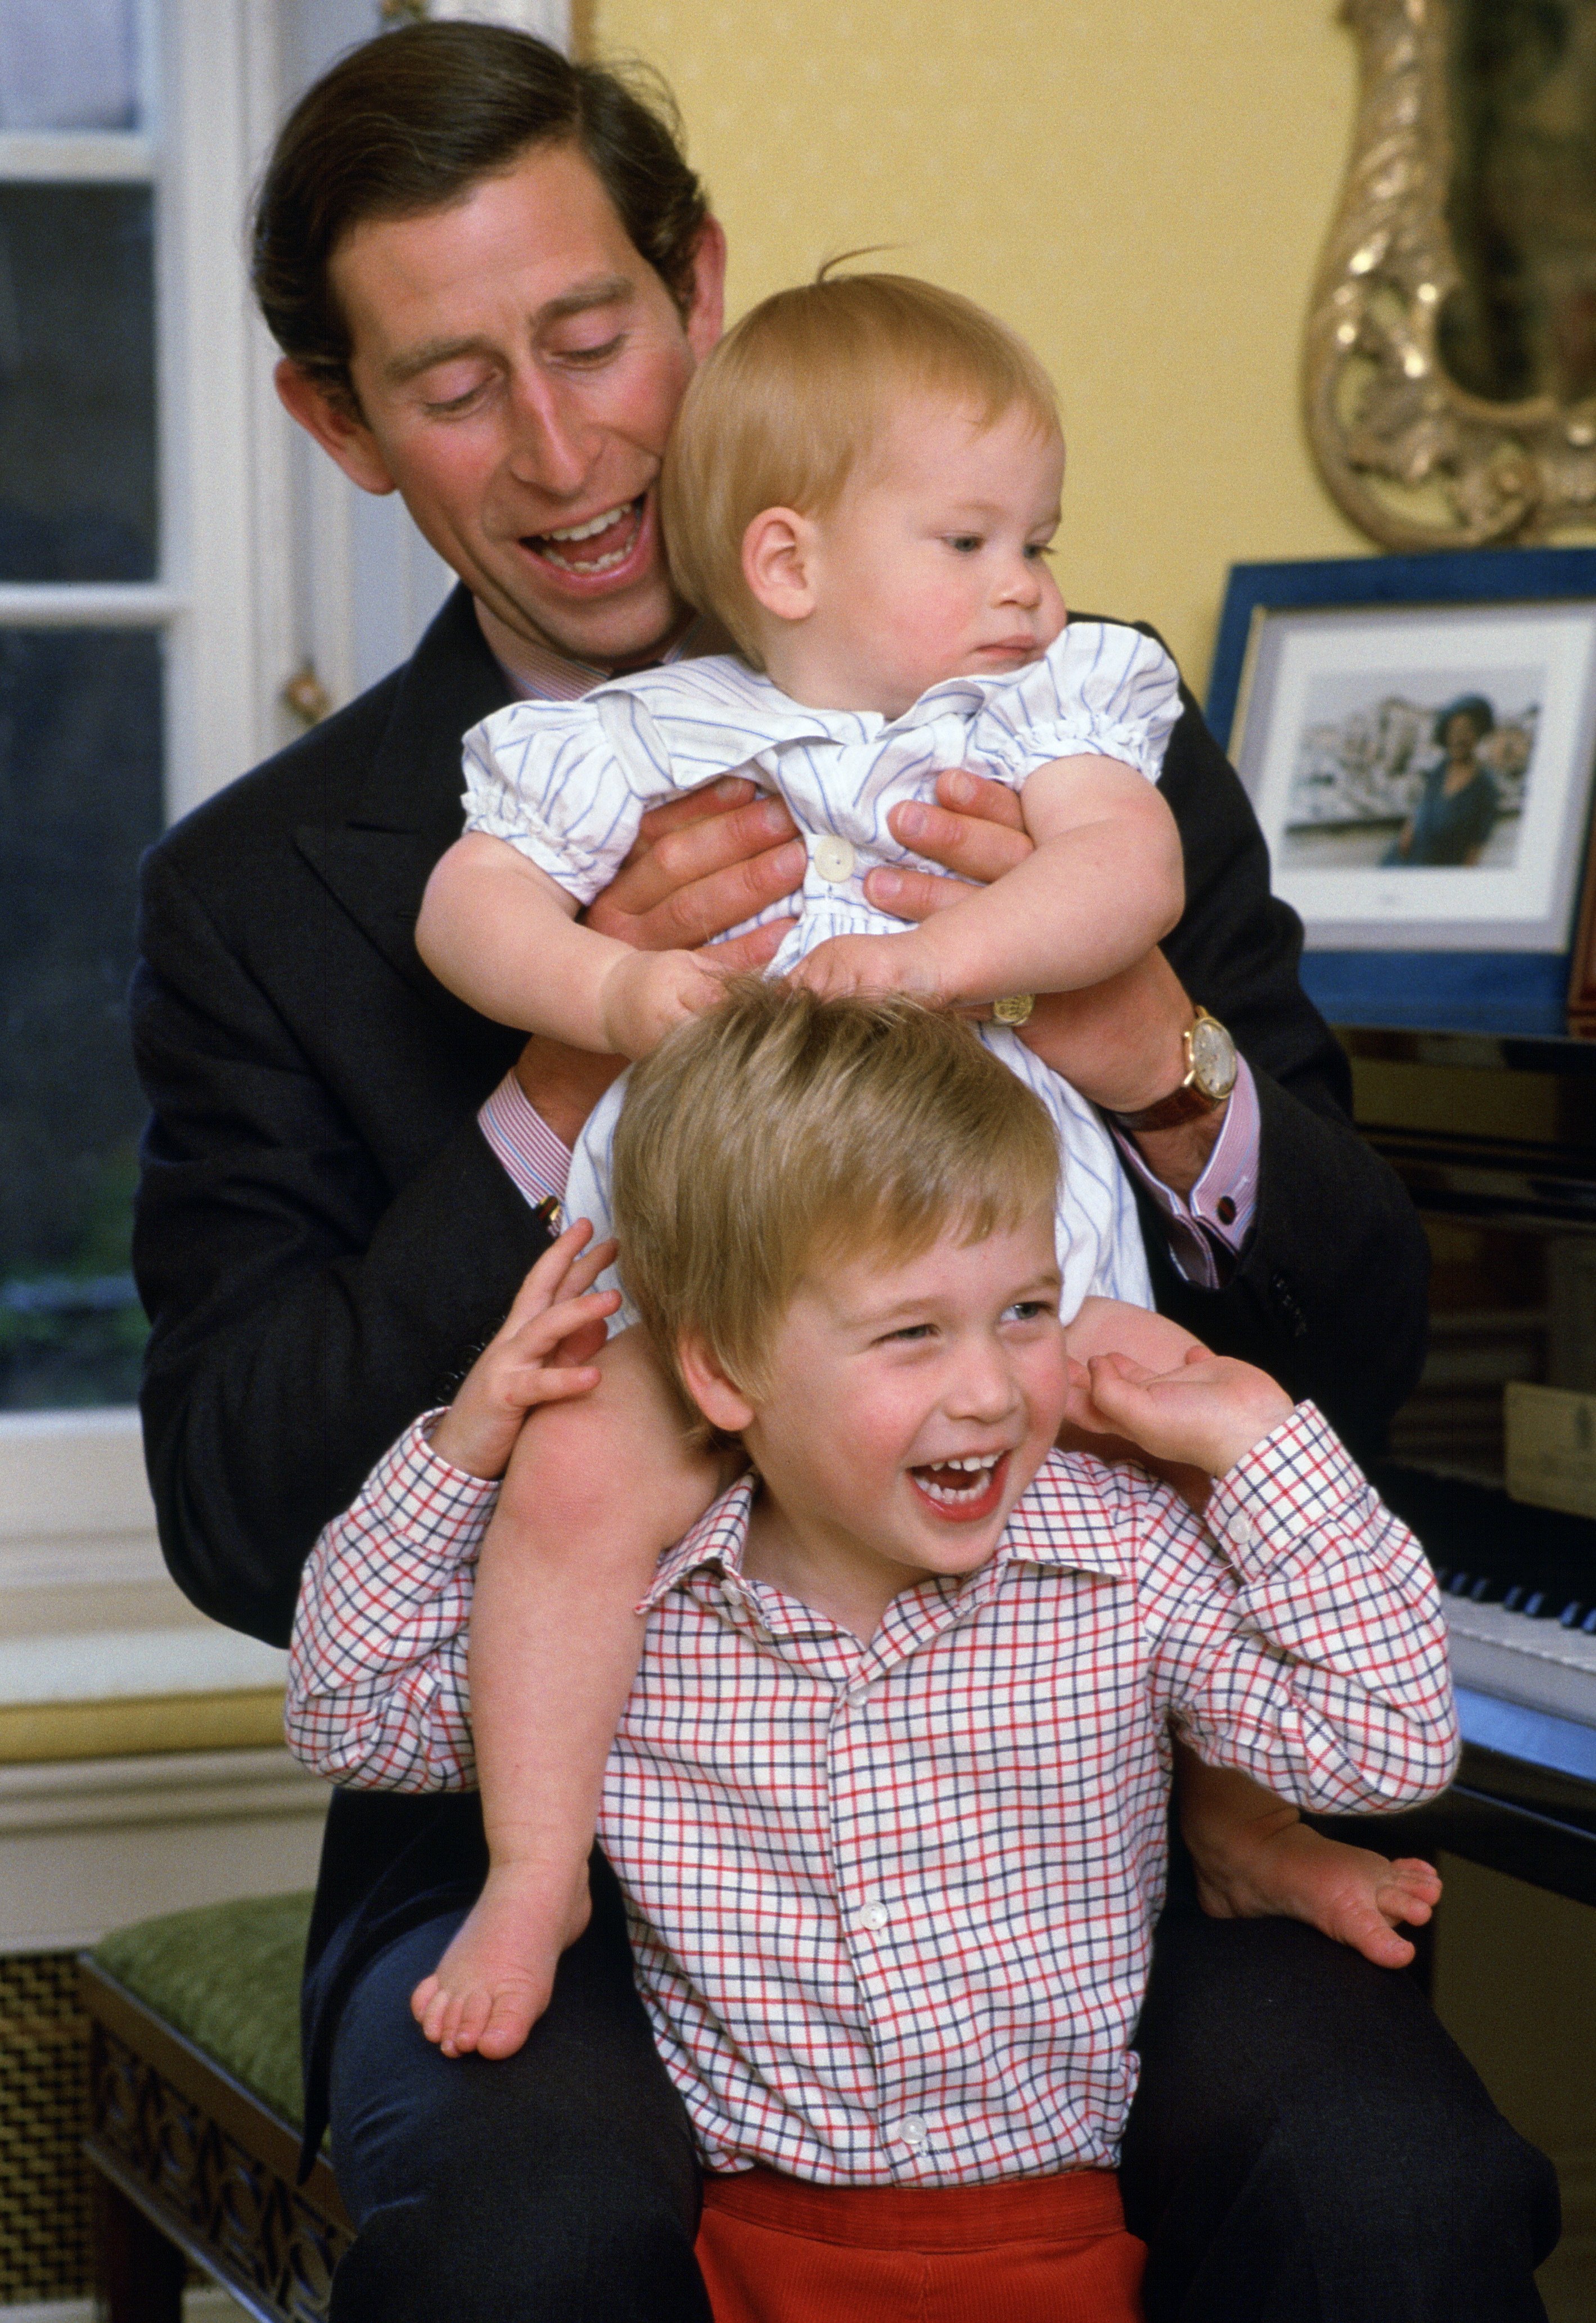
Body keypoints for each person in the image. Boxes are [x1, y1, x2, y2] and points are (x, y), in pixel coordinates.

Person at [129, 20, 1557, 2319]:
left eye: (594, 339)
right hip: (576, 1804)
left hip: (1086, 1756)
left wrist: (1152, 1060)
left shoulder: (1056, 716)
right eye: (457, 384)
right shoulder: (279, 890)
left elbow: (1370, 1341)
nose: (571, 446)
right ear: (341, 424)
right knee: (530, 2244)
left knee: (1397, 2198)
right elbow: (230, 1510)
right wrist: (566, 1078)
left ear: (698, 292)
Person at [407, 268, 1436, 2060]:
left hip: (996, 1254)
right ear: (792, 564)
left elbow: (1127, 878)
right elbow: (468, 905)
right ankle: (534, 1861)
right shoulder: (639, 738)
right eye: (970, 541)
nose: (1028, 584)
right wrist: (614, 985)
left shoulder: (1043, 711)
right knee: (573, 1492)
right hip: (713, 1263)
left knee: (1157, 1469)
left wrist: (955, 961)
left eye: (1038, 537)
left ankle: (1236, 1811)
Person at [286, 982, 1461, 2323]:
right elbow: (349, 1716)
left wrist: (1257, 1439)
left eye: (1026, 1311)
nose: (989, 1387)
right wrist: (467, 1446)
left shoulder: (1116, 1561)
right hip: (736, 2262)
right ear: (722, 1374)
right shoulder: (630, 1621)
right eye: (911, 1333)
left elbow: (1386, 1742)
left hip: (1065, 2254)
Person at [1382, 695, 1502, 867]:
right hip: (1405, 860)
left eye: (1467, 730)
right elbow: (1422, 806)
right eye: (1454, 731)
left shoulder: (1485, 787)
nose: (1459, 738)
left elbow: (1476, 846)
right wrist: (1407, 833)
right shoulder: (1440, 769)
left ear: (1479, 734)